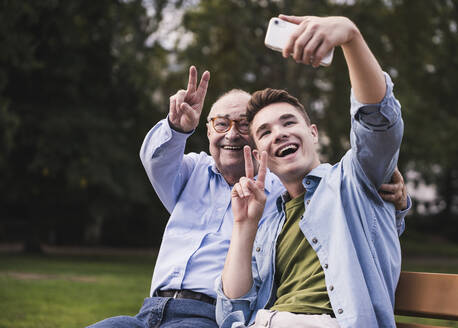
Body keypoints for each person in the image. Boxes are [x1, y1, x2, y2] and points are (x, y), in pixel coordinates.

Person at [86, 62, 408, 327]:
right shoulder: (192, 172)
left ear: (256, 145)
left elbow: (338, 190)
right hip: (151, 309)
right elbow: (155, 160)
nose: (231, 134)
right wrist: (178, 127)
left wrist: (389, 195)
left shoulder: (278, 188)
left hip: (209, 318)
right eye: (221, 123)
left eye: (243, 126)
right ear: (208, 130)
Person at [217, 15, 407, 328]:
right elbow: (231, 311)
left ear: (313, 133)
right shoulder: (269, 224)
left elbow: (378, 120)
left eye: (288, 122)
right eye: (264, 132)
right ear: (260, 153)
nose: (278, 133)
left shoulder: (356, 181)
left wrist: (350, 36)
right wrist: (244, 225)